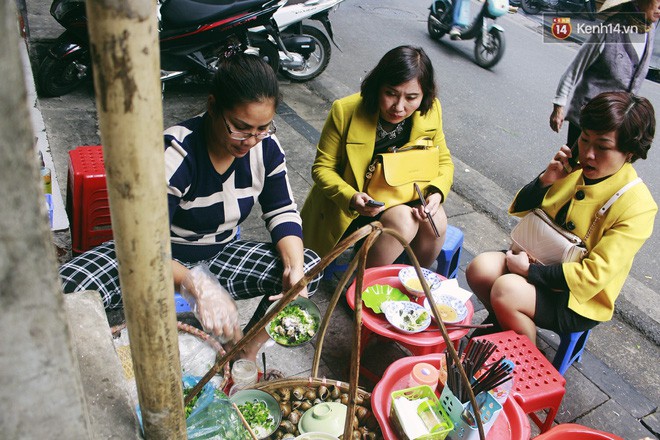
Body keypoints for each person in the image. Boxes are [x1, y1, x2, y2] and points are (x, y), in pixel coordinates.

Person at [59, 52, 322, 361]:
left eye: (262, 128)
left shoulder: (266, 149)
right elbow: (144, 248)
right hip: (154, 258)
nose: (250, 140)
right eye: (240, 127)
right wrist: (193, 283)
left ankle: (243, 353)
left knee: (309, 269)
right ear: (213, 107)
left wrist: (294, 269)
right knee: (64, 291)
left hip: (218, 254)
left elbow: (282, 212)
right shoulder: (175, 154)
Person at [467, 91, 657, 343]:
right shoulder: (571, 167)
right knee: (479, 268)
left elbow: (593, 276)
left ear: (630, 152)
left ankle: (525, 358)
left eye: (602, 147)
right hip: (535, 260)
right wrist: (546, 181)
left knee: (506, 290)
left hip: (576, 297)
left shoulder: (638, 205)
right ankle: (504, 324)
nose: (588, 153)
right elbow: (521, 209)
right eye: (584, 139)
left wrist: (530, 272)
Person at [300, 45, 454, 268]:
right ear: (377, 86)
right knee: (403, 221)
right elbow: (322, 168)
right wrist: (352, 198)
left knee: (436, 220)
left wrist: (437, 193)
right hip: (355, 205)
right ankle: (360, 285)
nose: (399, 107)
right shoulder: (345, 111)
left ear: (425, 94)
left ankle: (412, 280)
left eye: (411, 97)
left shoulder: (430, 110)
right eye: (390, 93)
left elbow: (444, 161)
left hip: (406, 194)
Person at [550, 0, 660, 149]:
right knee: (572, 163)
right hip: (589, 115)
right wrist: (559, 107)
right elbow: (575, 68)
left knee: (599, 168)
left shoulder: (650, 30)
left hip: (616, 119)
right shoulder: (609, 29)